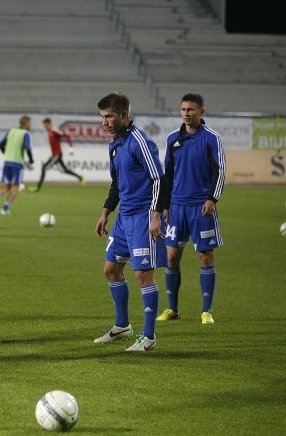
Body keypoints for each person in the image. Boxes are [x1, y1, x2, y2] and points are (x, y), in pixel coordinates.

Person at [94, 92, 167, 352]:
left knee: (143, 274)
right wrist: (106, 212)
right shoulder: (115, 144)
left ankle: (149, 336)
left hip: (144, 216)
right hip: (124, 217)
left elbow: (159, 178)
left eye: (110, 116)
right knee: (111, 269)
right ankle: (123, 326)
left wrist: (156, 215)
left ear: (124, 115)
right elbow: (116, 183)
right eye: (103, 117)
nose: (105, 121)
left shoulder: (140, 142)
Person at [157, 93, 225, 325]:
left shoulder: (211, 138)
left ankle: (206, 310)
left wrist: (212, 199)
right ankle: (172, 309)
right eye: (183, 109)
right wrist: (165, 205)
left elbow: (220, 171)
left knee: (205, 257)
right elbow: (168, 174)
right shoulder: (173, 139)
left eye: (191, 109)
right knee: (171, 257)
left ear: (201, 112)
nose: (186, 113)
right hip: (176, 207)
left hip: (201, 207)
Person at [0, 115, 34, 215]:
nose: (31, 125)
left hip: (7, 162)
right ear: (26, 124)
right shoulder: (25, 133)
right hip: (17, 164)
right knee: (16, 187)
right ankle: (4, 209)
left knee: (7, 186)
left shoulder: (11, 131)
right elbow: (28, 148)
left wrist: (6, 153)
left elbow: (1, 144)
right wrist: (31, 160)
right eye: (30, 123)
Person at [31, 118, 84, 192]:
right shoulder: (50, 132)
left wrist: (70, 147)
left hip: (57, 155)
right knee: (64, 170)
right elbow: (54, 144)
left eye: (45, 125)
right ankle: (80, 177)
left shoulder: (54, 131)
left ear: (49, 124)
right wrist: (52, 155)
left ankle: (37, 188)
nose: (44, 127)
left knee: (44, 168)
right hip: (55, 155)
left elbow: (67, 136)